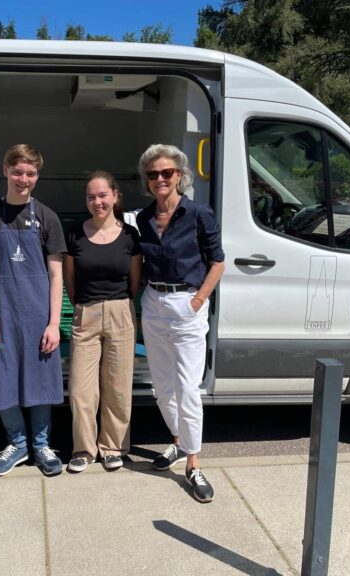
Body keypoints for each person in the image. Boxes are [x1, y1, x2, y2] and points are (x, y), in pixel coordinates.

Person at [136, 144, 225, 503]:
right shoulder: (143, 218)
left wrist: (199, 299)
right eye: (153, 174)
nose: (160, 179)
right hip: (154, 303)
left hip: (187, 303)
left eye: (166, 173)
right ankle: (176, 441)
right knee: (161, 385)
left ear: (179, 175)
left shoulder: (199, 214)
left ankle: (193, 463)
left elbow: (218, 262)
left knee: (188, 388)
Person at [0, 144, 66, 477]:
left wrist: (53, 323)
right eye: (17, 171)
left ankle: (41, 445)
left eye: (30, 173)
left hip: (38, 314)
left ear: (37, 176)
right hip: (3, 315)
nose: (23, 179)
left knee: (40, 380)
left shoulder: (47, 218)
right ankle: (18, 444)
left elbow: (56, 275)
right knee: (4, 377)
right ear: (5, 170)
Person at [64, 171, 141, 473]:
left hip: (121, 310)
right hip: (87, 313)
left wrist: (120, 305)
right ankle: (84, 449)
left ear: (115, 196)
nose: (97, 201)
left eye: (102, 195)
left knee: (118, 387)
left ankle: (113, 447)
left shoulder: (130, 236)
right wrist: (85, 306)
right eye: (91, 197)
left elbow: (134, 281)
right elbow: (70, 282)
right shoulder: (74, 234)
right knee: (82, 389)